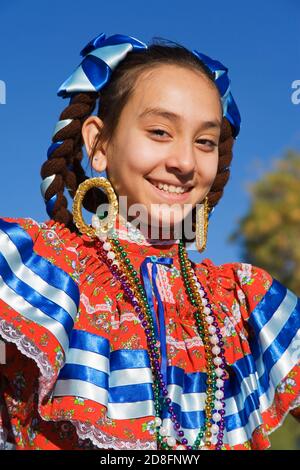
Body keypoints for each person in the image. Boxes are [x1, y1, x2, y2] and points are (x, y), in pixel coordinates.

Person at [0, 32, 299, 451]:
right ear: (97, 144)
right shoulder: (35, 268)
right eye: (160, 131)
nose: (184, 162)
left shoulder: (243, 303)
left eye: (205, 141)